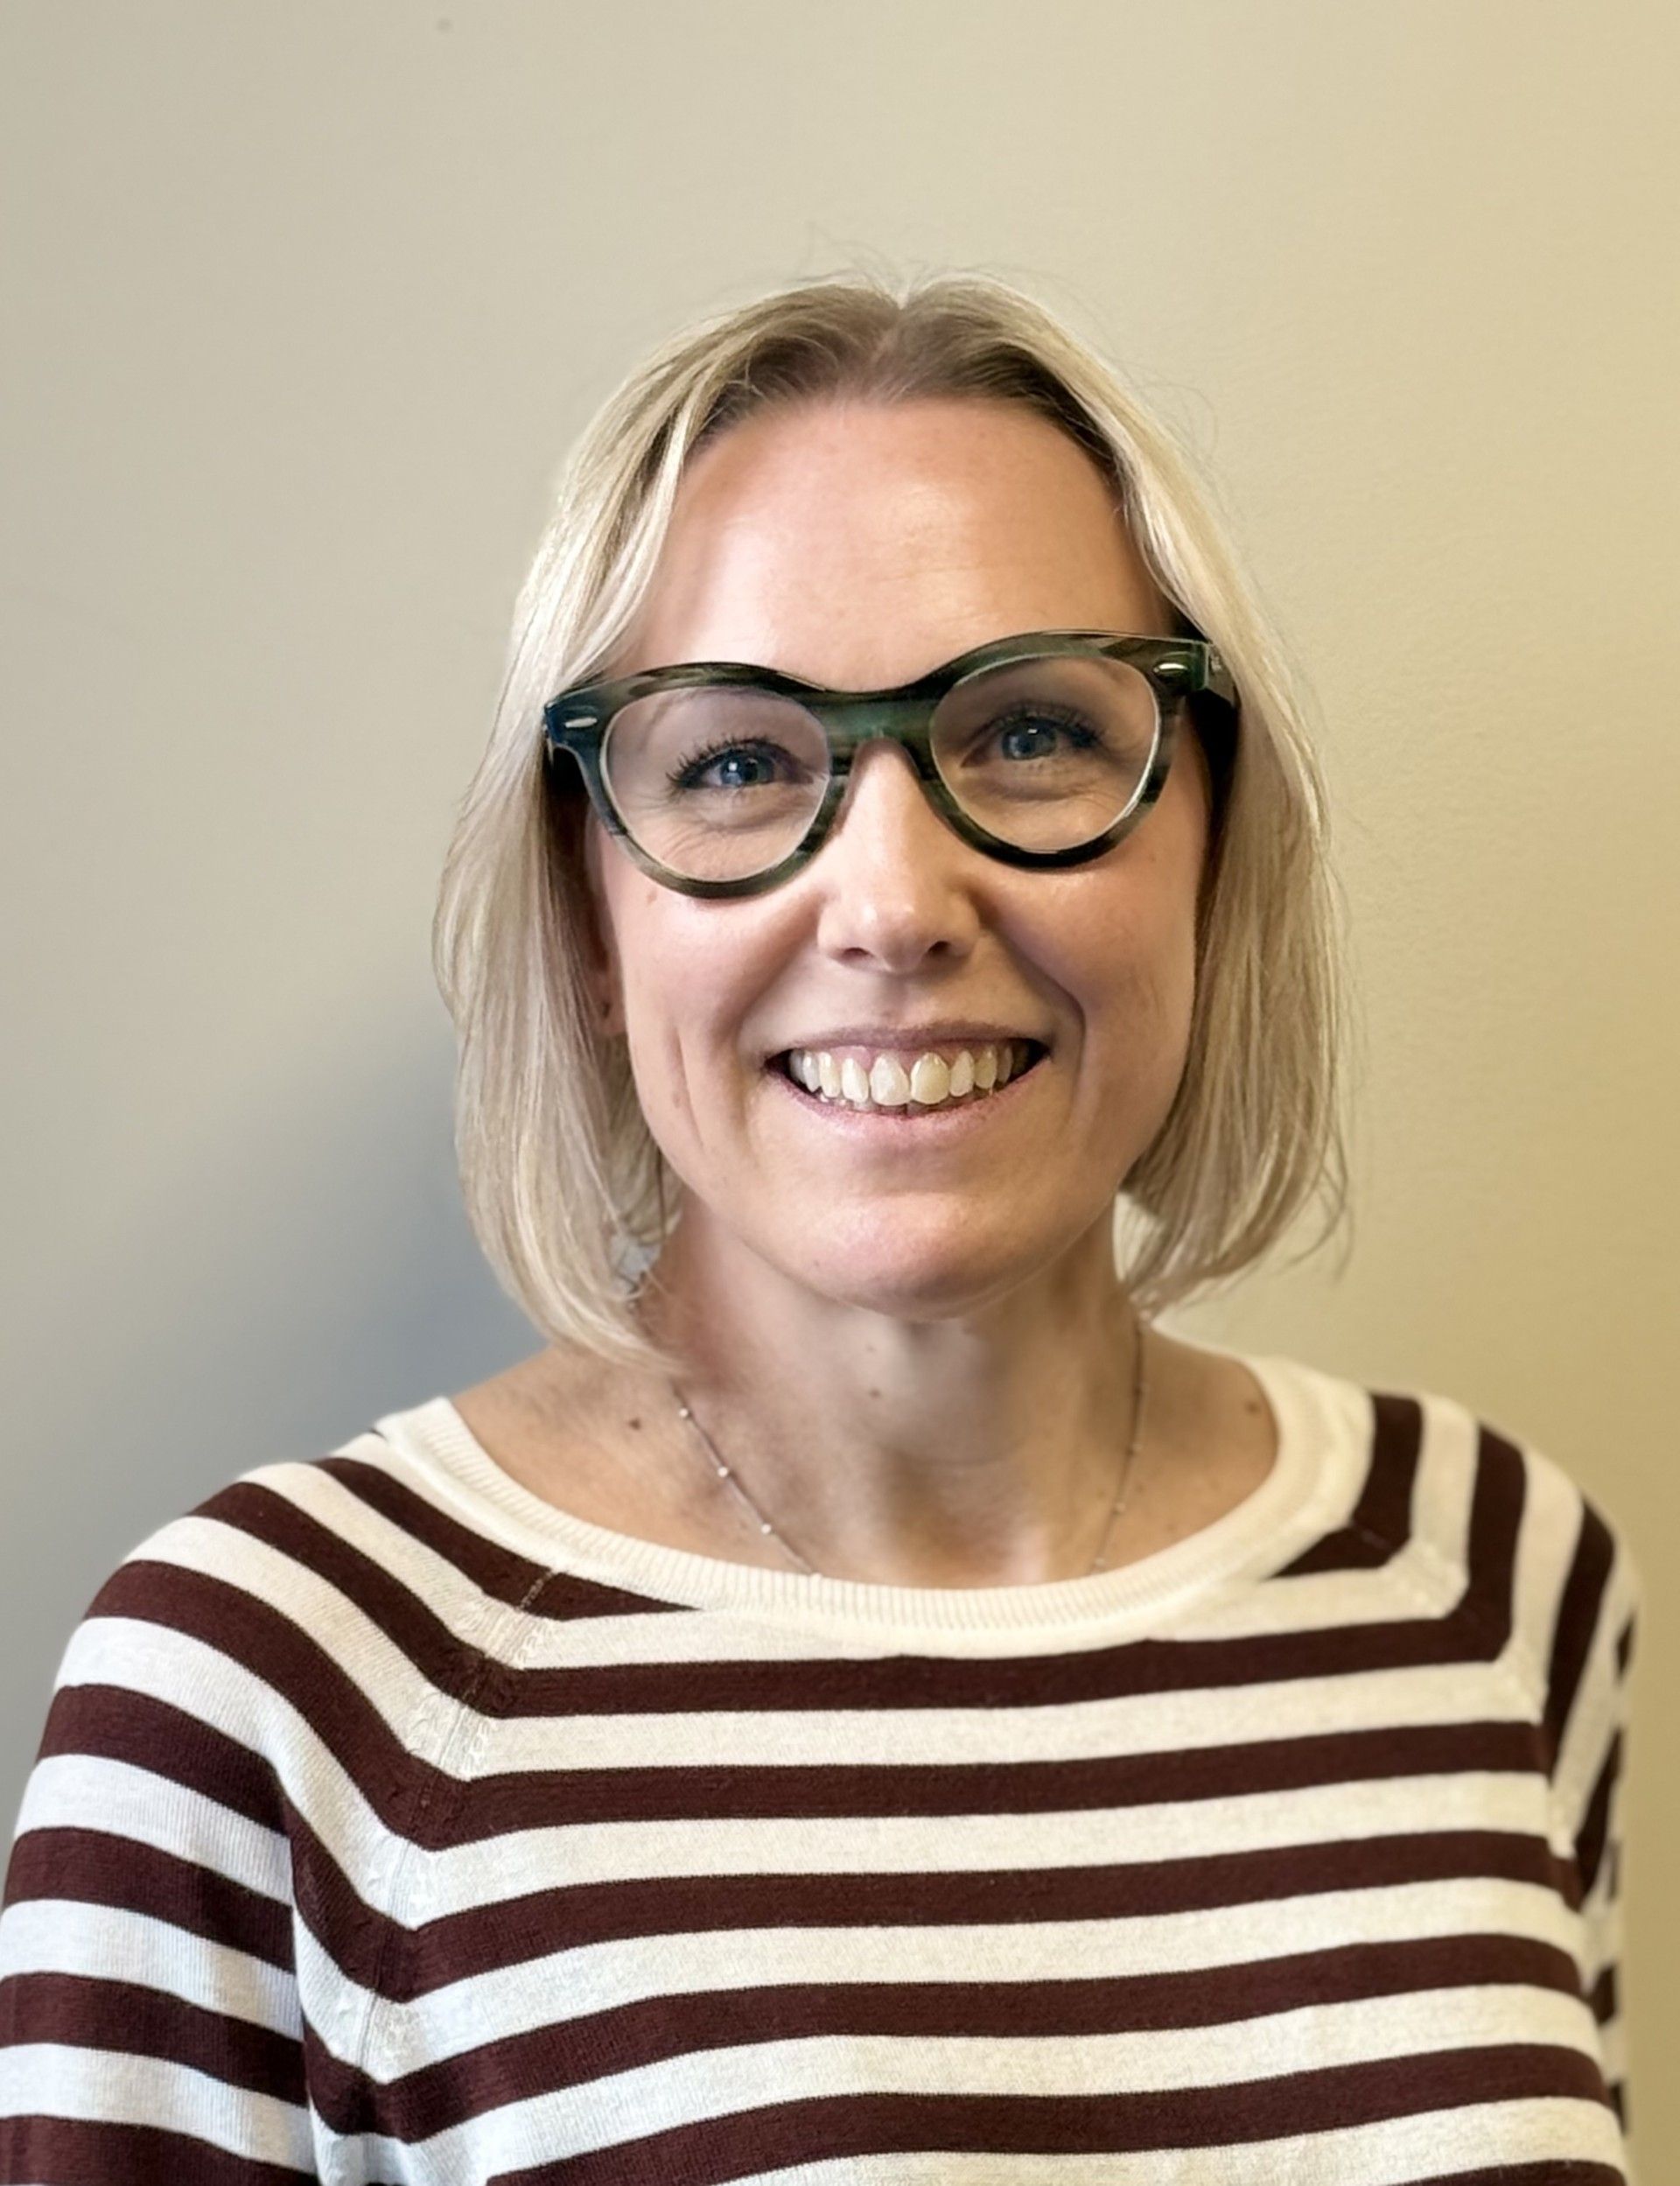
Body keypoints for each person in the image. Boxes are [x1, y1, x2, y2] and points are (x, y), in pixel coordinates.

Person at [0, 271, 1641, 2184]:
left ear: (1215, 841)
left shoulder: (1490, 1568)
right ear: (589, 918)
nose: (892, 903)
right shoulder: (271, 1688)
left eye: (1031, 731)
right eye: (735, 763)